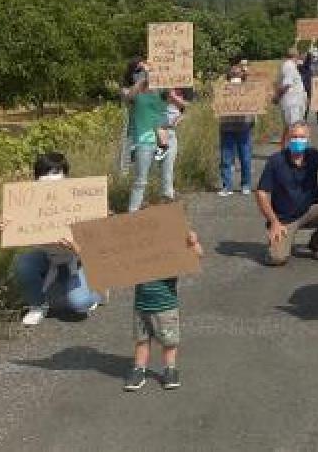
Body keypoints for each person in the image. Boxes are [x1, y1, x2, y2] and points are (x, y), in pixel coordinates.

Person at [0, 152, 103, 326]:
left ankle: (96, 288)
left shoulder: (82, 200)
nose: (51, 178)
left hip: (78, 260)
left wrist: (77, 248)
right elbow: (8, 242)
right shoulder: (27, 201)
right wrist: (1, 230)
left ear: (66, 176)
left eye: (56, 172)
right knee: (23, 263)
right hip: (48, 257)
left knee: (80, 303)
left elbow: (97, 246)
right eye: (45, 173)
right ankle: (38, 304)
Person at [255, 121, 318, 265]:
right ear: (287, 139)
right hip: (284, 220)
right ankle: (280, 241)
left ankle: (316, 245)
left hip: (309, 211)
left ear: (308, 139)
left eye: (301, 137)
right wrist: (274, 222)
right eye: (294, 137)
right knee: (277, 259)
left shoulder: (312, 155)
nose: (298, 140)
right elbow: (261, 192)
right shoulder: (276, 161)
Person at [124, 230, 203, 392]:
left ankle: (170, 369)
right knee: (142, 340)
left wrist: (193, 243)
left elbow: (197, 256)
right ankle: (139, 369)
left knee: (169, 342)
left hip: (166, 307)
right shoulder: (139, 251)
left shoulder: (172, 249)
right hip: (141, 307)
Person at [125, 66, 175, 212]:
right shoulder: (131, 91)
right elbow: (129, 97)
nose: (144, 72)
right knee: (141, 179)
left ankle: (169, 213)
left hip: (164, 138)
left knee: (167, 177)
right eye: (139, 70)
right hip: (143, 140)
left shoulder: (162, 91)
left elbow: (174, 98)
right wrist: (143, 80)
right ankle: (133, 212)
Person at [218, 61, 255, 198]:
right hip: (240, 126)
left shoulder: (224, 89)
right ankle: (244, 185)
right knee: (243, 157)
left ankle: (229, 186)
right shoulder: (247, 89)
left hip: (231, 127)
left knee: (229, 158)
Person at [276, 48, 309, 148]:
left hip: (294, 102)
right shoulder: (289, 66)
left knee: (289, 127)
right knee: (294, 128)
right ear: (296, 56)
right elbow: (287, 84)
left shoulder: (291, 65)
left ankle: (284, 149)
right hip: (292, 103)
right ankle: (293, 150)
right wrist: (277, 96)